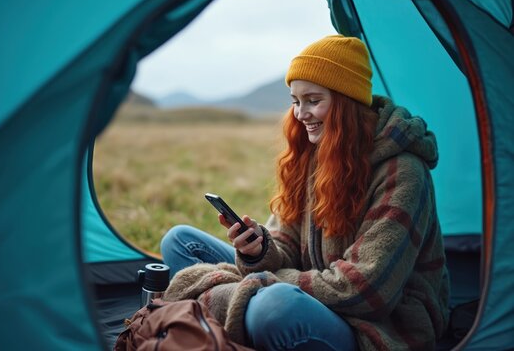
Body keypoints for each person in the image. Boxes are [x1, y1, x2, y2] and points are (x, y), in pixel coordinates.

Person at [160, 35, 450, 351]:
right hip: (309, 288)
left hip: (378, 324)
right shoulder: (317, 153)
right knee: (179, 241)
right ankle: (240, 313)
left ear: (346, 103)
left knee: (275, 307)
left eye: (313, 100)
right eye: (296, 101)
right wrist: (259, 251)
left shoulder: (403, 172)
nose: (300, 114)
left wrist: (266, 281)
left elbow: (365, 290)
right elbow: (285, 237)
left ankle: (223, 314)